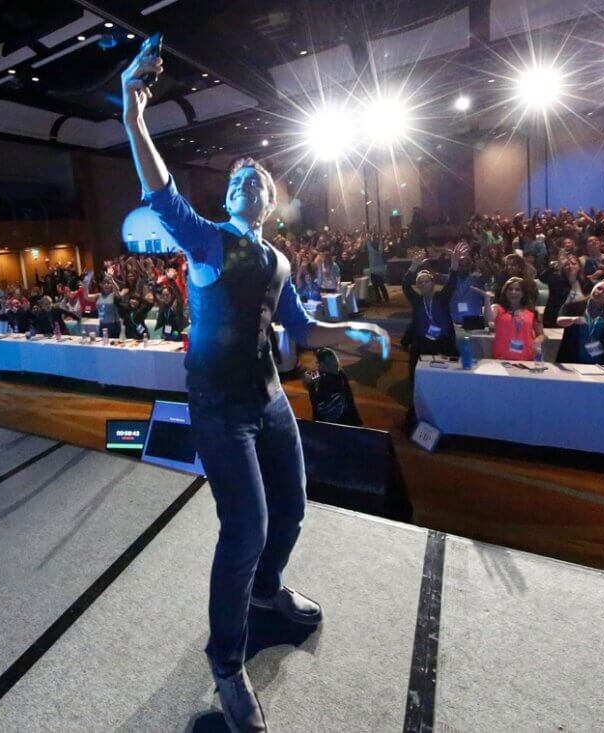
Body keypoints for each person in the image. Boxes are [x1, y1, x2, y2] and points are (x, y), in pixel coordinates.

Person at [122, 47, 389, 733]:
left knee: (292, 510)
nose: (246, 181)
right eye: (238, 177)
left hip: (270, 401)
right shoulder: (208, 241)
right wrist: (132, 109)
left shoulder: (278, 258)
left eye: (257, 180)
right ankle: (225, 660)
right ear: (230, 197)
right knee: (246, 527)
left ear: (272, 202)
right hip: (219, 407)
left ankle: (267, 593)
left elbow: (298, 326)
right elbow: (159, 192)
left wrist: (350, 327)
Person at [402, 242, 468, 388]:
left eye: (426, 281)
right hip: (422, 345)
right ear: (418, 285)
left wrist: (454, 263)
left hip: (443, 343)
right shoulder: (417, 300)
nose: (423, 284)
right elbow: (405, 286)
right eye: (420, 282)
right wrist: (413, 267)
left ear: (432, 283)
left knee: (450, 377)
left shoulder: (441, 297)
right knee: (420, 378)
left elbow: (451, 283)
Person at [556, 279, 604, 365]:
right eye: (599, 288)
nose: (600, 292)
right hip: (572, 358)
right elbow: (559, 321)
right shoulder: (573, 306)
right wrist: (572, 320)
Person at [484, 276, 544, 360]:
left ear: (523, 293)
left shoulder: (533, 312)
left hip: (525, 358)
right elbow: (488, 319)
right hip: (501, 358)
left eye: (517, 289)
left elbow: (541, 334)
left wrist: (537, 341)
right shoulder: (497, 308)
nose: (513, 292)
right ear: (505, 292)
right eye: (510, 289)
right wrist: (487, 299)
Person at [303, 347, 362, 426]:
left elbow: (349, 398)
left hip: (333, 423)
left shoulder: (333, 375)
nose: (335, 364)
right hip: (339, 422)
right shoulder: (338, 374)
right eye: (332, 362)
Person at [366, 235, 389, 303]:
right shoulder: (380, 251)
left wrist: (367, 236)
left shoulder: (371, 251)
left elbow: (368, 243)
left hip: (373, 271)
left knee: (375, 286)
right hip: (380, 271)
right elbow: (380, 245)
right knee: (381, 285)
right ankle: (386, 298)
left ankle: (379, 299)